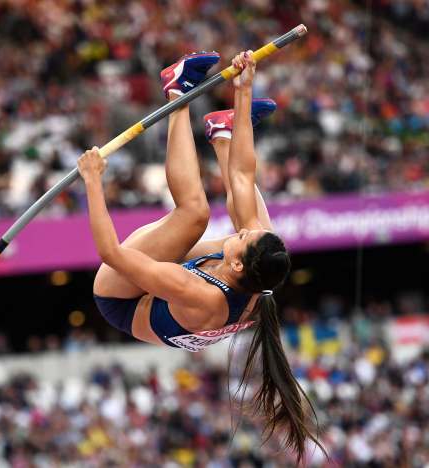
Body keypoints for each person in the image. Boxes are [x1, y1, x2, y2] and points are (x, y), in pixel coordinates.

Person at [77, 50, 325, 461]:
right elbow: (243, 177)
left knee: (194, 214)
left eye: (241, 239)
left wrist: (92, 181)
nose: (242, 231)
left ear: (237, 263)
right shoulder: (255, 270)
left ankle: (178, 90)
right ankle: (223, 132)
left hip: (123, 298)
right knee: (255, 219)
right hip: (187, 284)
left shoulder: (201, 295)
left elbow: (111, 253)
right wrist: (243, 94)